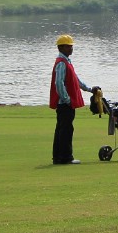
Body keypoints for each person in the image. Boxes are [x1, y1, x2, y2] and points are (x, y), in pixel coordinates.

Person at [49, 34, 95, 165]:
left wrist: (89, 89)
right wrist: (67, 99)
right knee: (66, 130)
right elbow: (59, 83)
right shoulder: (62, 63)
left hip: (65, 103)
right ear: (61, 47)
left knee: (62, 129)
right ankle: (65, 157)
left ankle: (58, 157)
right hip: (65, 104)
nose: (71, 49)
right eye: (69, 46)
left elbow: (75, 80)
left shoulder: (66, 62)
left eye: (71, 46)